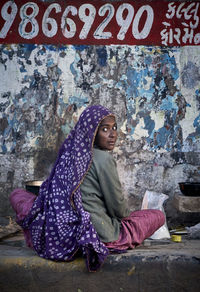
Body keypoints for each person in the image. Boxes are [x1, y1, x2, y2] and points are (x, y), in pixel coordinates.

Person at [10, 105, 165, 272]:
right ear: (92, 132)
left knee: (17, 195)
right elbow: (118, 209)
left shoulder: (69, 153)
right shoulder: (103, 158)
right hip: (100, 233)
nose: (112, 135)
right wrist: (128, 216)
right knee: (157, 215)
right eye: (105, 129)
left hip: (60, 230)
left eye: (114, 128)